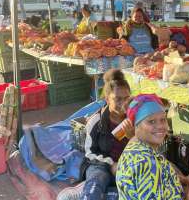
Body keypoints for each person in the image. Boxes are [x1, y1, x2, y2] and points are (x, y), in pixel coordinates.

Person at [116, 94, 189, 200]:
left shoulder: (136, 146)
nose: (160, 126)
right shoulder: (145, 163)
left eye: (163, 120)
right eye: (151, 121)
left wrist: (181, 180)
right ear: (136, 125)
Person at [57, 69, 134, 200]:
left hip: (127, 165)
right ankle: (90, 192)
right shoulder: (96, 121)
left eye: (126, 98)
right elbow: (90, 153)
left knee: (134, 187)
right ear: (107, 99)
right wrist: (111, 164)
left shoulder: (134, 119)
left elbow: (144, 149)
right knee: (98, 180)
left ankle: (85, 192)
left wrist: (132, 137)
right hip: (101, 166)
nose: (123, 103)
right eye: (118, 99)